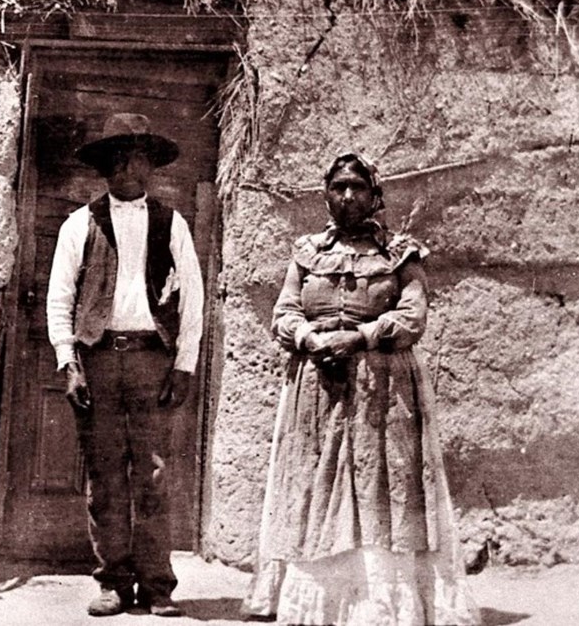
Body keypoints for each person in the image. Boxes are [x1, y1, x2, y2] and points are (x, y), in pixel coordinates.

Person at [243, 153, 477, 625]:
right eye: (338, 187)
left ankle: (378, 606)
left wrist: (361, 337)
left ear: (375, 195)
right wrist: (311, 338)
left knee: (378, 485)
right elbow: (284, 313)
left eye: (357, 187)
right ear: (325, 193)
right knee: (315, 483)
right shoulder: (306, 252)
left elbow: (413, 316)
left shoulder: (401, 254)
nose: (347, 196)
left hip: (382, 387)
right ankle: (317, 602)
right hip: (317, 385)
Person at [46, 113, 205, 618]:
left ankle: (158, 585)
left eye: (137, 158)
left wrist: (184, 365)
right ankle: (113, 581)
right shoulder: (80, 224)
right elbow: (59, 300)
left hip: (151, 363)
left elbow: (195, 300)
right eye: (117, 158)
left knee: (154, 475)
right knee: (105, 476)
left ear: (151, 166)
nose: (128, 169)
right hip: (98, 363)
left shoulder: (171, 222)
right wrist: (68, 362)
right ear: (105, 168)